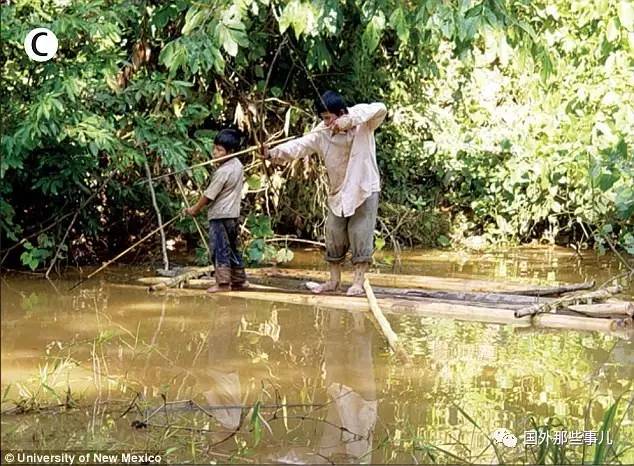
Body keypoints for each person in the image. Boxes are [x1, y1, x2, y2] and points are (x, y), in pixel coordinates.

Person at [264, 91, 387, 296]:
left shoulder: (362, 120)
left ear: (341, 113)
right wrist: (271, 154)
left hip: (364, 187)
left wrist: (348, 121)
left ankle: (357, 282)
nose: (327, 122)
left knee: (360, 233)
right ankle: (334, 281)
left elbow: (380, 108)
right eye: (324, 118)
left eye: (329, 118)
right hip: (339, 191)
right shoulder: (322, 132)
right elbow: (299, 146)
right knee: (333, 233)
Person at [185, 128, 248, 292]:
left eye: (219, 150)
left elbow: (209, 196)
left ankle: (223, 283)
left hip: (220, 216)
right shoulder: (238, 165)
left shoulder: (223, 171)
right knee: (232, 248)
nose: (214, 153)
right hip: (233, 215)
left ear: (231, 151)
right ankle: (239, 279)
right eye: (215, 148)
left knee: (219, 248)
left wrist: (194, 209)